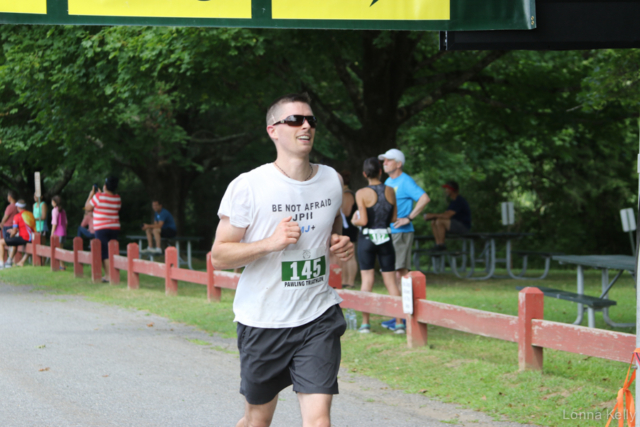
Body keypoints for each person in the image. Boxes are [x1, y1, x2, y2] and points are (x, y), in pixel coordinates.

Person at [210, 93, 353, 427]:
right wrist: (271, 243)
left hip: (317, 315)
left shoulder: (332, 180)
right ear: (273, 130)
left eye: (311, 120)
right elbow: (219, 255)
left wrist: (338, 244)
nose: (306, 125)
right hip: (263, 321)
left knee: (319, 421)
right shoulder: (249, 186)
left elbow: (329, 232)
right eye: (295, 120)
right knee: (257, 419)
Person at [378, 148, 429, 332]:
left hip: (402, 232)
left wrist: (409, 217)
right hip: (390, 232)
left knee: (401, 274)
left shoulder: (405, 181)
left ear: (398, 163)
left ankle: (406, 318)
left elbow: (424, 198)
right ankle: (399, 317)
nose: (384, 163)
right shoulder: (388, 181)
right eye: (383, 161)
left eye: (388, 160)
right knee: (392, 275)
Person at [350, 158, 403, 334]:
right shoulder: (390, 190)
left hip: (367, 239)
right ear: (380, 172)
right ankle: (399, 323)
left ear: (365, 174)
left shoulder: (361, 193)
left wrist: (353, 220)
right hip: (386, 238)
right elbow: (394, 218)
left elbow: (363, 220)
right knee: (391, 282)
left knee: (367, 280)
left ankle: (365, 324)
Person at [84, 177, 121, 282]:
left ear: (105, 186)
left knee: (104, 251)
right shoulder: (117, 198)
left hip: (101, 228)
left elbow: (87, 207)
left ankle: (109, 275)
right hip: (114, 227)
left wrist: (92, 194)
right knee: (112, 250)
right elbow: (115, 207)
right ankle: (110, 274)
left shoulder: (98, 196)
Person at [424, 181, 471, 251]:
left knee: (440, 221)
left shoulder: (459, 200)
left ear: (452, 190)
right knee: (434, 222)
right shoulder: (453, 202)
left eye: (447, 189)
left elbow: (447, 216)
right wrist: (432, 217)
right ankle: (438, 244)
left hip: (463, 227)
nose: (445, 191)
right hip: (454, 225)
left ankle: (442, 245)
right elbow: (444, 214)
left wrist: (432, 215)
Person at [0, 200, 35, 269]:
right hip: (32, 238)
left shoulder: (17, 216)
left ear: (18, 207)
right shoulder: (30, 214)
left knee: (1, 242)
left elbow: (14, 232)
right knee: (14, 242)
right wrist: (14, 231)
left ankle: (1, 264)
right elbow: (26, 227)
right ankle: (9, 262)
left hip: (24, 238)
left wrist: (11, 236)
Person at [51, 195, 68, 270]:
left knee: (58, 249)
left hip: (57, 233)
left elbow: (54, 223)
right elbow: (66, 222)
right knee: (61, 248)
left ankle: (61, 266)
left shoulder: (54, 210)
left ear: (54, 202)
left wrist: (52, 234)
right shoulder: (63, 211)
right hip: (63, 232)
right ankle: (62, 265)